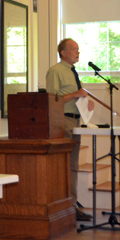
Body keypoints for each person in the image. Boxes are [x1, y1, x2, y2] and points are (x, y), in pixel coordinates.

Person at [45, 38, 95, 222]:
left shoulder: (72, 72)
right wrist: (76, 94)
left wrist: (85, 101)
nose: (77, 52)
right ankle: (63, 205)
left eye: (78, 49)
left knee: (73, 165)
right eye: (74, 49)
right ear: (63, 53)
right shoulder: (55, 71)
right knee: (62, 166)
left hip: (75, 122)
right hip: (62, 123)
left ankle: (72, 205)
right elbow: (52, 100)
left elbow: (74, 97)